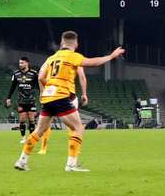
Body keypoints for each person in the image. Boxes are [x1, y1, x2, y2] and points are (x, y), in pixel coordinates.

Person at [14, 31, 125, 173]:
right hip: (61, 96)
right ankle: (71, 165)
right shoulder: (73, 56)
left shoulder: (51, 58)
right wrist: (111, 56)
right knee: (78, 128)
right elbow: (92, 63)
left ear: (61, 43)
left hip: (48, 97)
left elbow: (41, 76)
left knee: (39, 130)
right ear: (76, 44)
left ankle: (22, 160)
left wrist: (50, 86)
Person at [6, 57, 40, 143]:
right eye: (19, 63)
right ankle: (23, 137)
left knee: (31, 119)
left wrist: (42, 94)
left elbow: (39, 86)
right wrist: (8, 98)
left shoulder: (34, 73)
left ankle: (31, 138)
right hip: (21, 101)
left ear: (27, 63)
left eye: (22, 63)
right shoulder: (16, 74)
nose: (20, 64)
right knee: (22, 119)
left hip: (31, 100)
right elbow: (12, 87)